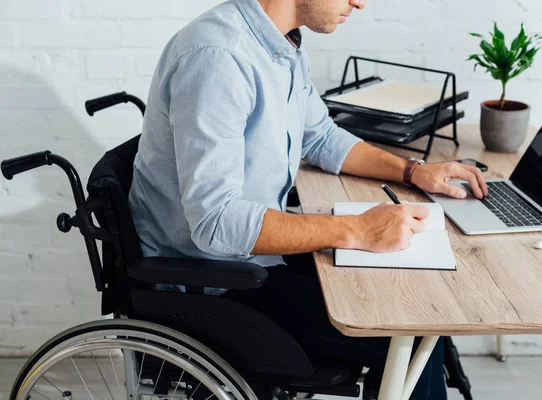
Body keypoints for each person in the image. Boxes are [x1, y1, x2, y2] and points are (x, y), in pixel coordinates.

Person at [129, 0, 488, 398]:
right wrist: (356, 229)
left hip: (252, 257)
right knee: (409, 332)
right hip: (210, 283)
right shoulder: (219, 58)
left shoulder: (280, 45)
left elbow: (320, 136)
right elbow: (215, 222)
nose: (360, 2)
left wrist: (413, 171)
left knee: (415, 308)